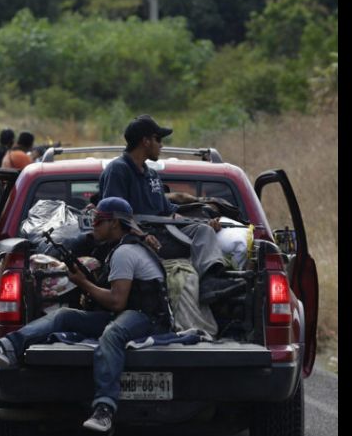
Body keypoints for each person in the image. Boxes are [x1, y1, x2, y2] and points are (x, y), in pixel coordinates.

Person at [0, 197, 172, 434]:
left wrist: (83, 283)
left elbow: (117, 301)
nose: (92, 226)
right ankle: (6, 347)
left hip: (149, 319)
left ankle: (105, 409)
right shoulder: (117, 248)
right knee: (64, 316)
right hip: (127, 313)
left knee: (112, 334)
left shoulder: (125, 252)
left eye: (98, 220)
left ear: (114, 223)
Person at [98, 115, 246, 302]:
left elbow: (168, 210)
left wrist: (203, 217)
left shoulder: (151, 174)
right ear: (145, 141)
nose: (161, 145)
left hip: (164, 232)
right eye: (158, 139)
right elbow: (115, 214)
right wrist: (141, 235)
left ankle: (210, 281)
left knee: (204, 230)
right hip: (141, 241)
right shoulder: (118, 170)